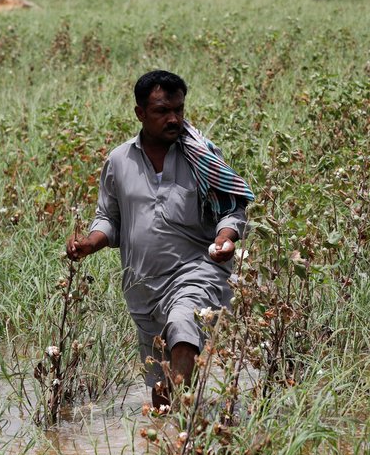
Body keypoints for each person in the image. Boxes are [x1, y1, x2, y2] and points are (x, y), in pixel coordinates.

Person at [66, 70, 253, 408]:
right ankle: (173, 434)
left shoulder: (202, 157)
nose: (174, 119)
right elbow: (108, 218)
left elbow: (231, 209)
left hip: (196, 271)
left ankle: (181, 427)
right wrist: (89, 244)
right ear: (140, 113)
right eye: (162, 111)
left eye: (179, 110)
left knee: (183, 324)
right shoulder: (119, 161)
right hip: (142, 288)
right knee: (160, 386)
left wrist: (226, 238)